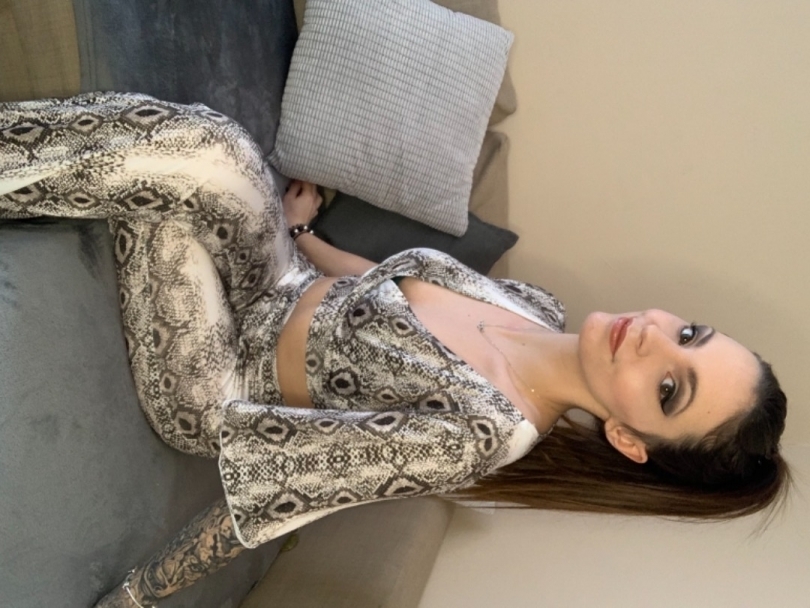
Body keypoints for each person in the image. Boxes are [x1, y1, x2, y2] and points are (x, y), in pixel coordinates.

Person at [0, 93, 789, 608]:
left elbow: (289, 495)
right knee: (214, 143)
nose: (653, 338)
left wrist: (138, 594)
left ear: (627, 438)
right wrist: (303, 232)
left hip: (221, 377)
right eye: (690, 334)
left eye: (669, 389)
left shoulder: (484, 432)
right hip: (275, 281)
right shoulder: (536, 306)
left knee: (168, 201)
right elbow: (381, 281)